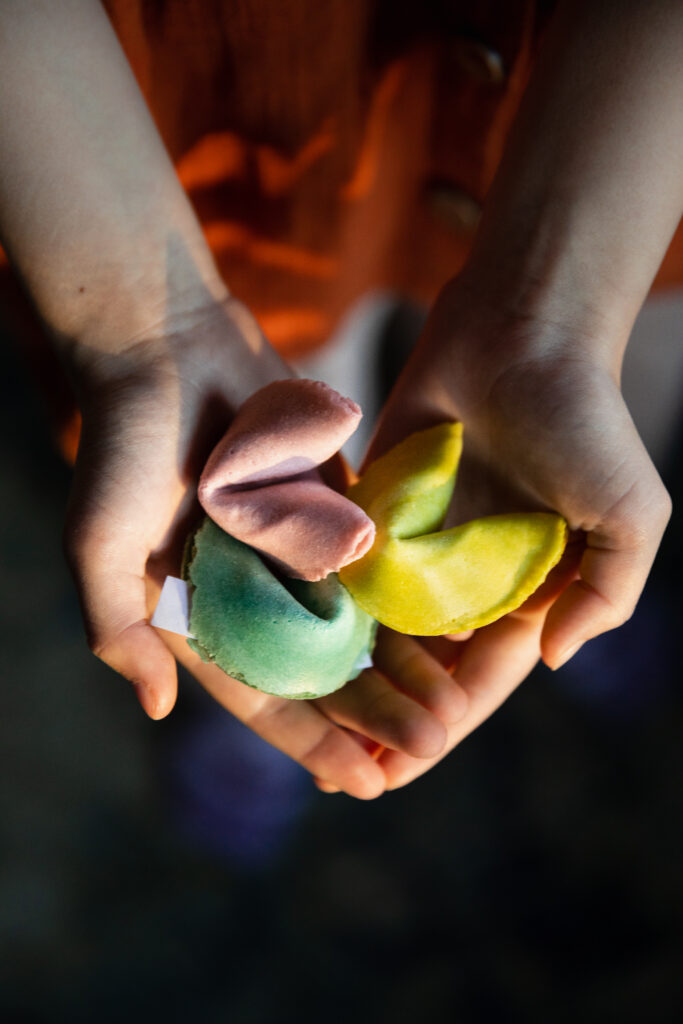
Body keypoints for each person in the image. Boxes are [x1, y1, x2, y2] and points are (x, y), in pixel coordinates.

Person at [0, 0, 681, 799]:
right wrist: (141, 334)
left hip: (628, 153)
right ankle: (268, 675)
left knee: (613, 396)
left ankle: (566, 593)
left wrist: (560, 318)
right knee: (306, 351)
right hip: (171, 178)